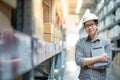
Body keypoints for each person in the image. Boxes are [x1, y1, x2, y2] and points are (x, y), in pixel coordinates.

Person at [75, 12, 112, 80]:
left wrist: (87, 65)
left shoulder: (106, 43)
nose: (89, 27)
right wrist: (99, 58)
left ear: (97, 25)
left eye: (91, 24)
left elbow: (107, 64)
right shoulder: (80, 43)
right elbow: (79, 61)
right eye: (86, 25)